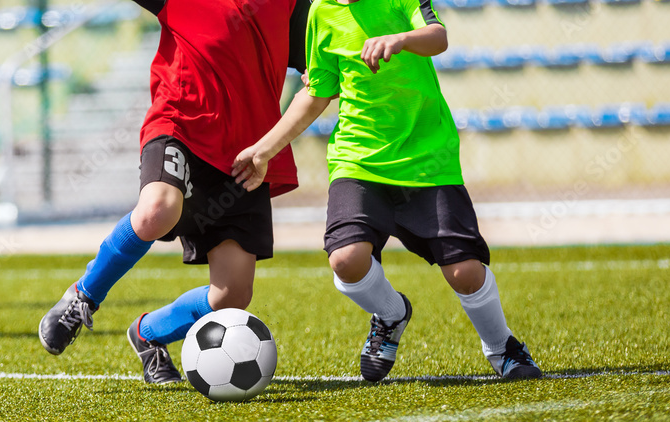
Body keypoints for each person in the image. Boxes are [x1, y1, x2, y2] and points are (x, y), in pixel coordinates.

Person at [231, 0, 542, 380]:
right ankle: (392, 315)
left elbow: (437, 37)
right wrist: (264, 150)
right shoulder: (320, 13)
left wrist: (402, 39)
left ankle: (503, 348)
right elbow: (316, 91)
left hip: (426, 158)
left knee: (464, 272)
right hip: (358, 159)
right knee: (345, 259)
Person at [37, 0, 310, 383]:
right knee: (156, 211)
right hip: (181, 125)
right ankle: (83, 296)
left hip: (247, 155)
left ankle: (147, 333)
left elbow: (319, 67)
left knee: (232, 296)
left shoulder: (294, 3)